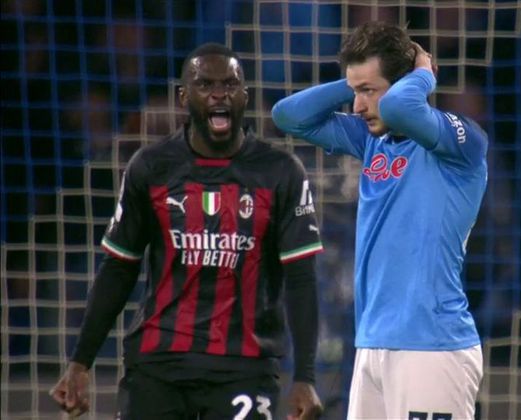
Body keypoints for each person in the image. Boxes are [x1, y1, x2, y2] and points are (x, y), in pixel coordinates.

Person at [50, 43, 324, 420]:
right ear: (183, 96)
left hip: (244, 368)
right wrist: (80, 363)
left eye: (230, 84)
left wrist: (305, 376)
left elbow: (301, 278)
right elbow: (118, 268)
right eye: (205, 84)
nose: (218, 93)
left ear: (245, 95)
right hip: (158, 364)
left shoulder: (280, 171)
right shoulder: (151, 166)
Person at [272, 22, 487, 419]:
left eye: (368, 91)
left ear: (407, 84)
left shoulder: (462, 143)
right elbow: (289, 116)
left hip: (432, 347)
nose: (357, 106)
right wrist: (356, 83)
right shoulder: (373, 141)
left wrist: (422, 72)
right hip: (372, 344)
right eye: (356, 92)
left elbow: (400, 107)